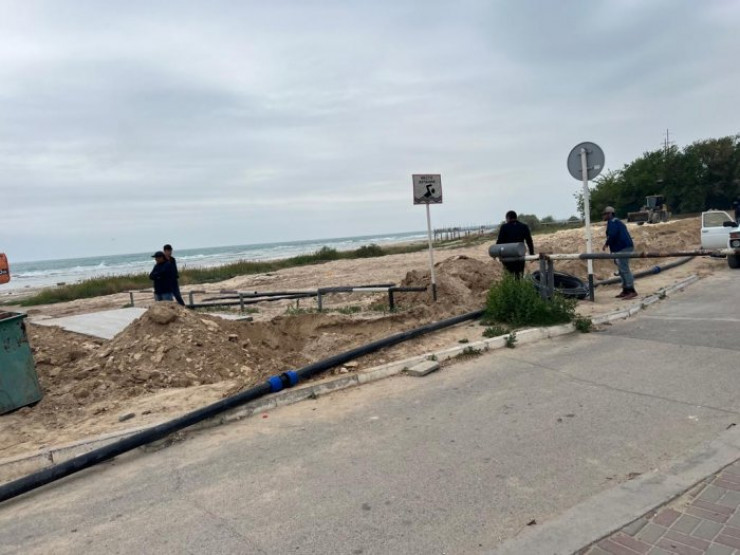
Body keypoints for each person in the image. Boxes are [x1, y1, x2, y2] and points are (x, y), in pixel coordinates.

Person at [602, 206, 637, 300]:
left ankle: (631, 290)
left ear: (610, 214)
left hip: (623, 247)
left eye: (605, 214)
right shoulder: (614, 222)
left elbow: (612, 235)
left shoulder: (613, 222)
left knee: (624, 269)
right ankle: (625, 290)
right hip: (621, 248)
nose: (603, 216)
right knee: (621, 270)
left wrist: (606, 244)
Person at [496, 210, 535, 279]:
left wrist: (499, 254)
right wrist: (532, 254)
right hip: (520, 254)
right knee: (519, 277)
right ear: (516, 217)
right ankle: (519, 286)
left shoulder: (504, 227)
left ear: (508, 218)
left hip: (508, 256)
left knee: (509, 277)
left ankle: (510, 285)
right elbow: (529, 241)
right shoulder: (524, 226)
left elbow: (499, 242)